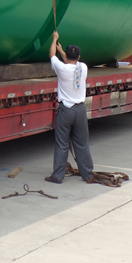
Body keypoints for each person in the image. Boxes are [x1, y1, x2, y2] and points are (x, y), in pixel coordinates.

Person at [45, 30, 94, 184]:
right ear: (79, 57)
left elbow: (51, 55)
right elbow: (69, 61)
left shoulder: (62, 69)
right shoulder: (83, 67)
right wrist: (62, 52)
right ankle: (88, 174)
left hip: (65, 110)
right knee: (82, 144)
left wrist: (55, 40)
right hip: (80, 110)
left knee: (62, 144)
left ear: (66, 55)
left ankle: (58, 176)